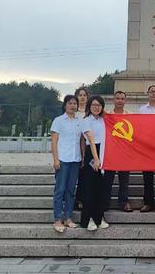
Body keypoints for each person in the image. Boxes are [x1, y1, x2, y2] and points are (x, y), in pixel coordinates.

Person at [51, 94, 99, 233]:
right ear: (65, 105)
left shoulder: (80, 121)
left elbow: (81, 141)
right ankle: (57, 219)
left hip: (75, 160)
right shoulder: (59, 120)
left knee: (71, 190)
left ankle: (68, 217)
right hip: (63, 159)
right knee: (60, 189)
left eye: (74, 103)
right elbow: (54, 141)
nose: (73, 105)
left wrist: (83, 156)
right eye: (70, 103)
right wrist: (55, 159)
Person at [80, 95, 108, 231]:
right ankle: (88, 218)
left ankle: (99, 217)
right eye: (94, 105)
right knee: (89, 187)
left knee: (101, 188)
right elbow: (90, 140)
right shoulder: (86, 121)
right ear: (89, 107)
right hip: (92, 153)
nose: (96, 108)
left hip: (104, 152)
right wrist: (96, 159)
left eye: (99, 105)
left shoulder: (104, 120)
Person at [103, 91, 133, 212]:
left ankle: (124, 202)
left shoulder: (131, 115)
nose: (120, 100)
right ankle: (105, 203)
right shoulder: (107, 116)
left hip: (124, 153)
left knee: (124, 180)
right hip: (110, 152)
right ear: (113, 100)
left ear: (125, 101)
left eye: (122, 98)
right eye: (117, 98)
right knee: (107, 180)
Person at [74, 86, 89, 209]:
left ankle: (82, 199)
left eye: (84, 95)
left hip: (89, 147)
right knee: (76, 176)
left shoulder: (90, 112)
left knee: (85, 176)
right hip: (75, 147)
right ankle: (75, 199)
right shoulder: (73, 113)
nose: (83, 97)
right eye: (80, 95)